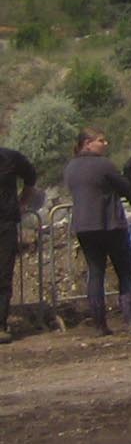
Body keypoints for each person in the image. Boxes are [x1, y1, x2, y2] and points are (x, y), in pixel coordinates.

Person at [63, 129, 131, 336]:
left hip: (84, 226)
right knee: (124, 271)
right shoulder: (104, 165)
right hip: (110, 224)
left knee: (95, 273)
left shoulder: (71, 167)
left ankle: (99, 324)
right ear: (87, 143)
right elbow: (126, 188)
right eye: (101, 140)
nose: (105, 143)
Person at [0, 140, 38, 345]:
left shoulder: (11, 158)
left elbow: (30, 177)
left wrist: (22, 203)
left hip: (5, 223)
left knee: (3, 276)